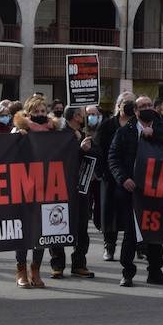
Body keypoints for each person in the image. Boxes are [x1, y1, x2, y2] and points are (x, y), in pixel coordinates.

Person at [107, 95, 163, 287]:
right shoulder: (125, 132)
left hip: (156, 190)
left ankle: (155, 272)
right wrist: (124, 179)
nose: (148, 108)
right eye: (143, 106)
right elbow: (113, 158)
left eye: (150, 105)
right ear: (136, 111)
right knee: (131, 233)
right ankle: (127, 273)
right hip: (132, 191)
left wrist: (155, 135)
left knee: (155, 232)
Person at [12, 95, 60, 287]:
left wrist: (75, 139)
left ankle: (36, 269)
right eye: (36, 112)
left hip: (46, 186)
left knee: (42, 230)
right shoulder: (19, 130)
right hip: (23, 186)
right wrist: (17, 138)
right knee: (23, 230)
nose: (40, 115)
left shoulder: (55, 132)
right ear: (28, 113)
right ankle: (21, 270)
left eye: (43, 111)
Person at [95, 93, 135, 262]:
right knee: (109, 212)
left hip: (131, 176)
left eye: (131, 103)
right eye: (125, 103)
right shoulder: (107, 125)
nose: (128, 106)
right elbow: (99, 149)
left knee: (132, 213)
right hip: (110, 176)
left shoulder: (136, 125)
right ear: (118, 105)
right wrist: (102, 171)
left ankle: (138, 246)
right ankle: (109, 246)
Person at [62, 105, 98, 278]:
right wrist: (78, 149)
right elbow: (61, 157)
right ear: (76, 116)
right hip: (62, 187)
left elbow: (96, 154)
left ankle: (79, 263)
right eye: (83, 115)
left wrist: (88, 149)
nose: (86, 117)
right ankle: (58, 264)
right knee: (58, 225)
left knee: (82, 227)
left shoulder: (84, 134)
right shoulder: (60, 134)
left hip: (81, 189)